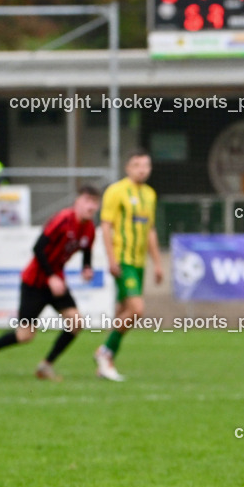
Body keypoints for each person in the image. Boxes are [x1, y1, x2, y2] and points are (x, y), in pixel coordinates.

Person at [0, 187, 100, 379]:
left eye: (95, 202)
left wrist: (87, 268)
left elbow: (86, 251)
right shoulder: (63, 219)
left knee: (76, 322)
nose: (91, 206)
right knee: (25, 335)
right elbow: (38, 248)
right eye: (87, 200)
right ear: (77, 202)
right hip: (34, 283)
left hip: (56, 284)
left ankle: (46, 365)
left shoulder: (90, 229)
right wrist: (51, 276)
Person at [94, 149, 163, 381]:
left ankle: (106, 363)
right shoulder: (116, 191)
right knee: (137, 309)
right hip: (123, 260)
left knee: (122, 311)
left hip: (139, 262)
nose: (142, 170)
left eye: (146, 165)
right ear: (128, 168)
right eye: (137, 165)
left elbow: (150, 230)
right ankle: (105, 352)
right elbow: (105, 225)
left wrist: (158, 263)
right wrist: (111, 258)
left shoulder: (150, 194)